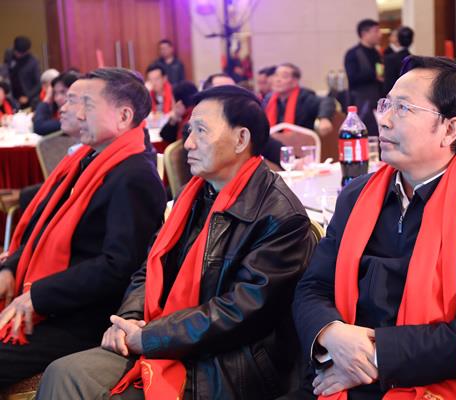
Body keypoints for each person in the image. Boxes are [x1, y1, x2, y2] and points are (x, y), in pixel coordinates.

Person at [38, 85, 315, 400]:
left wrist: (151, 337)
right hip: (167, 335)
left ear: (241, 139)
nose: (189, 143)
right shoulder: (193, 194)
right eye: (189, 131)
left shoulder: (279, 215)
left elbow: (241, 312)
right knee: (62, 372)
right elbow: (150, 267)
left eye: (201, 131)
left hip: (226, 364)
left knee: (78, 384)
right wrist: (130, 318)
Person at [292, 56, 456, 399]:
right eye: (386, 104)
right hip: (335, 374)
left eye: (403, 108)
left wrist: (371, 357)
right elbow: (312, 288)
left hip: (428, 383)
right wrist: (331, 333)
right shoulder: (356, 195)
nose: (383, 119)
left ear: (450, 130)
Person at [0, 68, 167, 387]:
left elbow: (118, 267)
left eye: (85, 104)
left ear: (123, 116)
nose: (71, 110)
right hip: (55, 301)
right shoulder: (85, 160)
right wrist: (10, 269)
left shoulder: (134, 175)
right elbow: (42, 233)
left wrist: (38, 296)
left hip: (83, 317)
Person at [262, 63, 335, 139]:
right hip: (274, 142)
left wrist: (324, 118)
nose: (278, 80)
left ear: (295, 81)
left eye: (284, 76)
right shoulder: (268, 99)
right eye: (276, 75)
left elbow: (327, 101)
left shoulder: (305, 97)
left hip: (301, 142)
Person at [344, 19, 384, 136]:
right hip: (361, 103)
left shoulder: (377, 53)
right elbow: (352, 78)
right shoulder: (353, 53)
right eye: (376, 31)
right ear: (364, 33)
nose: (380, 35)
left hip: (377, 102)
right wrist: (374, 75)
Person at [4, 36, 41, 109]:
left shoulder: (33, 62)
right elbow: (6, 70)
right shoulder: (9, 54)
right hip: (11, 96)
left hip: (27, 98)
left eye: (21, 53)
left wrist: (28, 96)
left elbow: (39, 84)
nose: (18, 54)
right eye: (16, 52)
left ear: (27, 51)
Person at [383, 27, 414, 94]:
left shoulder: (390, 59)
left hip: (395, 95)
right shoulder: (412, 58)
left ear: (397, 39)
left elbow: (388, 84)